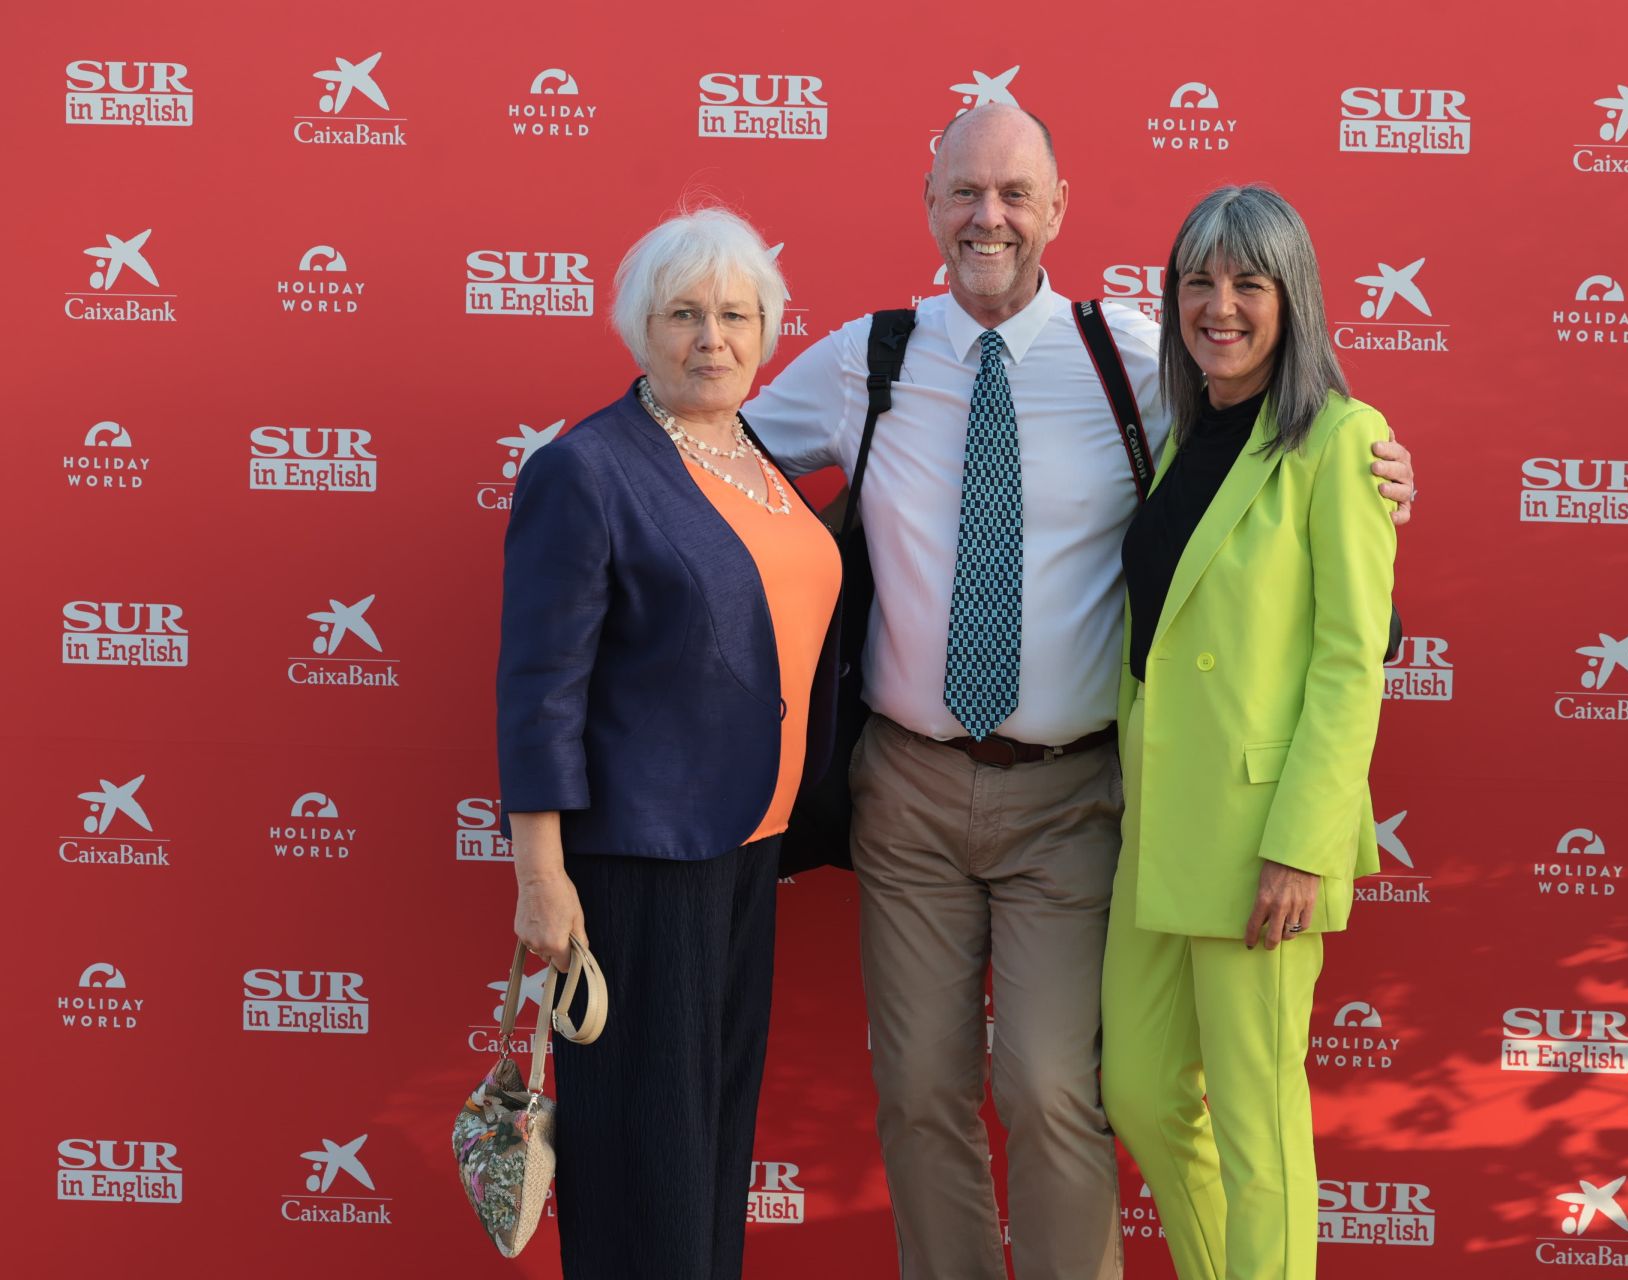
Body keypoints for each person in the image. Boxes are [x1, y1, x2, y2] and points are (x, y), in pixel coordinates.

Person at [744, 106, 1417, 1279]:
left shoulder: (1136, 361)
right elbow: (721, 455)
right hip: (905, 789)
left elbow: (1280, 483)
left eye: (1014, 192)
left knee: (1060, 1087)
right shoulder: (867, 357)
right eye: (964, 192)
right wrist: (606, 472)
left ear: (1059, 207)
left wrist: (1381, 478)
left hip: (1075, 799)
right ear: (930, 204)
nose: (987, 217)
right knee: (918, 1090)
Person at [496, 207, 842, 1279]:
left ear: (770, 328)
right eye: (684, 313)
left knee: (707, 1149)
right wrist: (541, 874)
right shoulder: (589, 469)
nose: (712, 337)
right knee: (644, 1165)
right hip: (638, 863)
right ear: (639, 327)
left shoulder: (757, 456)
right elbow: (540, 684)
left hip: (747, 848)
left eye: (736, 314)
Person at [1100, 184, 1395, 1280]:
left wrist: (1302, 845)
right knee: (1136, 1085)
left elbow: (1350, 656)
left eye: (1248, 284)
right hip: (1158, 832)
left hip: (1264, 842)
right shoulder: (1187, 437)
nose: (1219, 306)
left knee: (1261, 1128)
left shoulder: (1343, 440)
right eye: (1198, 282)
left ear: (1294, 300)